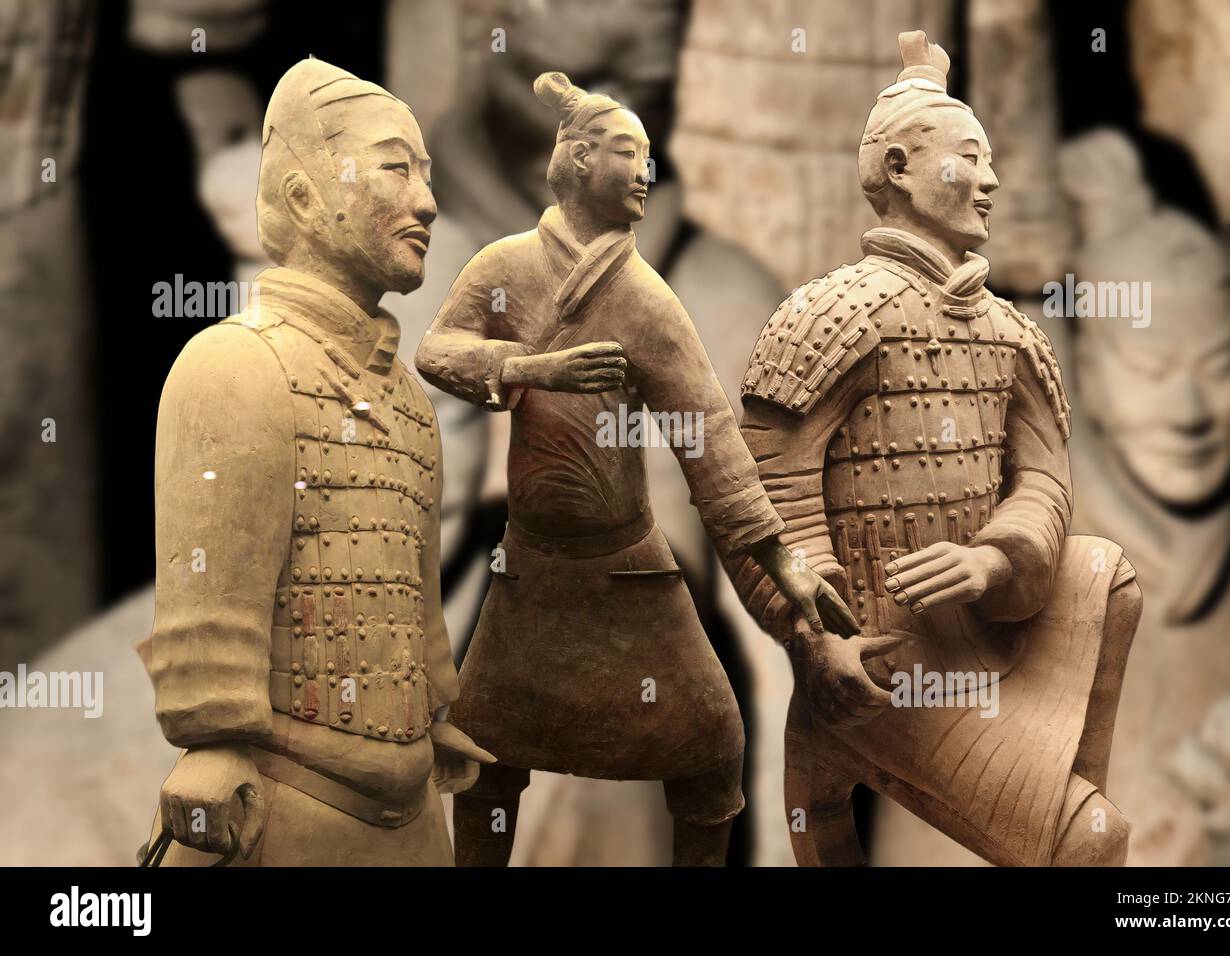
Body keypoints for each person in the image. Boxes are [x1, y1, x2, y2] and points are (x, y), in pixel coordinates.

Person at [417, 72, 855, 867]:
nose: (647, 170)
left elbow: (710, 440)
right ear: (579, 162)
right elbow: (436, 352)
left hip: (628, 564)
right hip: (530, 567)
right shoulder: (505, 267)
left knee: (714, 739)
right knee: (482, 751)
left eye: (650, 155)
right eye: (628, 152)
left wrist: (777, 555)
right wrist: (534, 369)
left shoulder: (647, 301)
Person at [731, 32, 1141, 867]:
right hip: (886, 658)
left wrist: (996, 561)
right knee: (1094, 841)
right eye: (967, 158)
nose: (990, 181)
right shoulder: (830, 316)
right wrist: (818, 644)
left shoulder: (1008, 331)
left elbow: (1046, 484)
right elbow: (767, 501)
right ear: (895, 169)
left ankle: (1048, 798)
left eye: (990, 160)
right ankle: (1059, 821)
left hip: (984, 632)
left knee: (1103, 572)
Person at [139, 57, 490, 866]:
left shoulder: (405, 398)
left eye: (427, 173)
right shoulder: (231, 364)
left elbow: (411, 586)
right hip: (287, 804)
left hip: (411, 813)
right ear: (303, 197)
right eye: (395, 169)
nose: (428, 201)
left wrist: (433, 705)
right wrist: (212, 734)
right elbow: (207, 585)